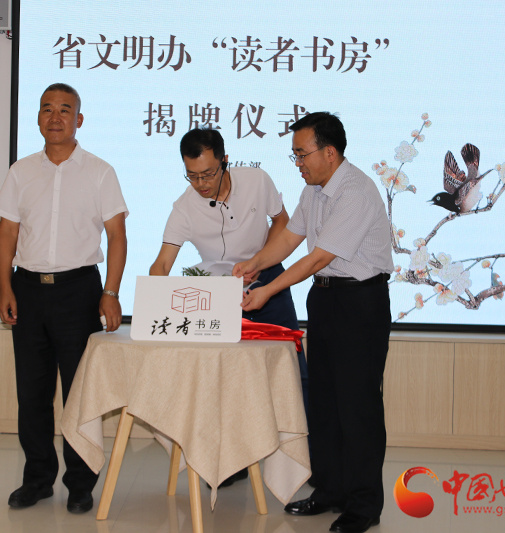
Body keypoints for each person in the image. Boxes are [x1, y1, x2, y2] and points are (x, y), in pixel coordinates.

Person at [234, 112, 392, 533]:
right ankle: (330, 490)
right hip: (324, 301)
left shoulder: (356, 191)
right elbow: (289, 239)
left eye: (302, 154)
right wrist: (255, 264)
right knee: (323, 402)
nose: (298, 162)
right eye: (295, 155)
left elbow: (319, 257)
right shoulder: (313, 190)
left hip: (360, 303)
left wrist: (268, 290)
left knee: (356, 406)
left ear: (330, 152)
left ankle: (363, 505)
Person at [0, 83, 128, 513]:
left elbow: (117, 235)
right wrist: (6, 287)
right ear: (38, 118)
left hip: (79, 291)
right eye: (47, 109)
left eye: (65, 110)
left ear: (78, 120)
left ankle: (81, 483)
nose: (55, 117)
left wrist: (111, 292)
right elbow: (7, 233)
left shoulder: (100, 171)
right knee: (32, 393)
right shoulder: (21, 172)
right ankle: (37, 479)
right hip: (29, 290)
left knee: (78, 393)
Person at [150, 127, 308, 488]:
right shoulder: (184, 207)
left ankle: (302, 458)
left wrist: (260, 261)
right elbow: (162, 263)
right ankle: (232, 462)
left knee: (292, 370)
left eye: (208, 173)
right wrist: (153, 299)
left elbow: (282, 222)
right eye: (192, 176)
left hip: (268, 280)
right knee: (228, 381)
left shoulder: (256, 180)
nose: (201, 184)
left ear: (225, 160)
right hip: (221, 295)